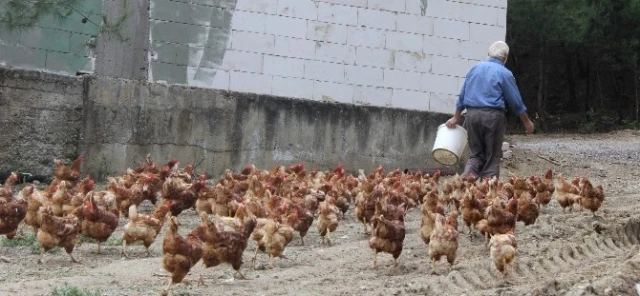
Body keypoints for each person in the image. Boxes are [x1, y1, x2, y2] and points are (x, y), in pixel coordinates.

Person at [445, 41, 534, 180]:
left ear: (488, 53)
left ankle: (464, 184)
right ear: (505, 57)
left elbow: (462, 96)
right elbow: (515, 102)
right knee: (492, 158)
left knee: (476, 155)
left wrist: (456, 117)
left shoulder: (474, 69)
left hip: (472, 116)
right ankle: (488, 194)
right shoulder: (504, 73)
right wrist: (527, 122)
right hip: (492, 117)